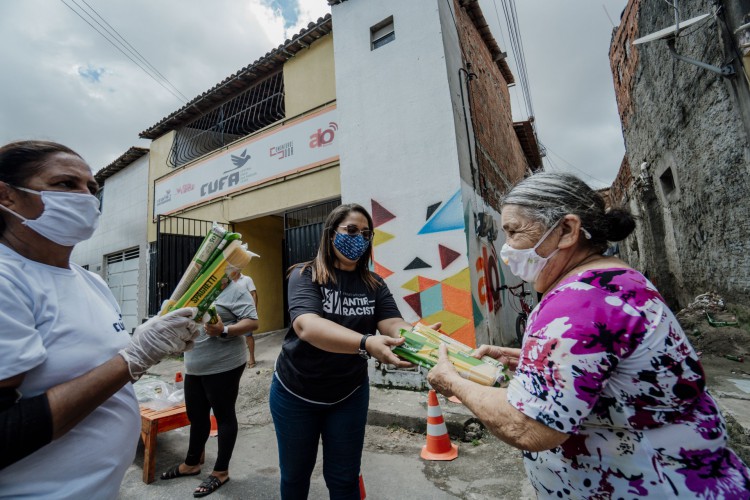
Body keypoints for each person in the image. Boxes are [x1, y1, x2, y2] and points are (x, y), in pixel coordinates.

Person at [427, 172, 750, 498]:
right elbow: (608, 371)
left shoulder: (577, 303)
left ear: (567, 230)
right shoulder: (612, 281)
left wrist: (453, 381)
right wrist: (536, 363)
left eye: (514, 231)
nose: (507, 247)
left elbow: (528, 425)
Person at [0, 140, 200, 499]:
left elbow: (97, 361)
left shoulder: (89, 280)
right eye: (65, 184)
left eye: (92, 189)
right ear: (6, 196)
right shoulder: (7, 279)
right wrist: (134, 358)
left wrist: (148, 338)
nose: (87, 198)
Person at [271, 203, 437, 499]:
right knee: (295, 477)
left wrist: (416, 339)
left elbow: (391, 323)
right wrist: (365, 342)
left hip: (348, 394)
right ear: (331, 232)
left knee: (344, 478)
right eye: (351, 230)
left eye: (366, 233)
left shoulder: (373, 284)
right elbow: (307, 326)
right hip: (295, 392)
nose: (358, 238)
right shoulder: (305, 274)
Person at [161, 269, 258, 497]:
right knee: (196, 415)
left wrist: (224, 329)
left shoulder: (236, 291)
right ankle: (192, 463)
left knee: (223, 416)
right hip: (194, 366)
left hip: (224, 365)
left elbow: (253, 322)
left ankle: (221, 471)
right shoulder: (199, 292)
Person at [236, 271, 259, 368]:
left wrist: (254, 309)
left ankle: (252, 358)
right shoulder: (228, 281)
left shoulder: (246, 279)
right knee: (234, 336)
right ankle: (237, 360)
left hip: (245, 310)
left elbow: (254, 294)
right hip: (232, 311)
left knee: (248, 335)